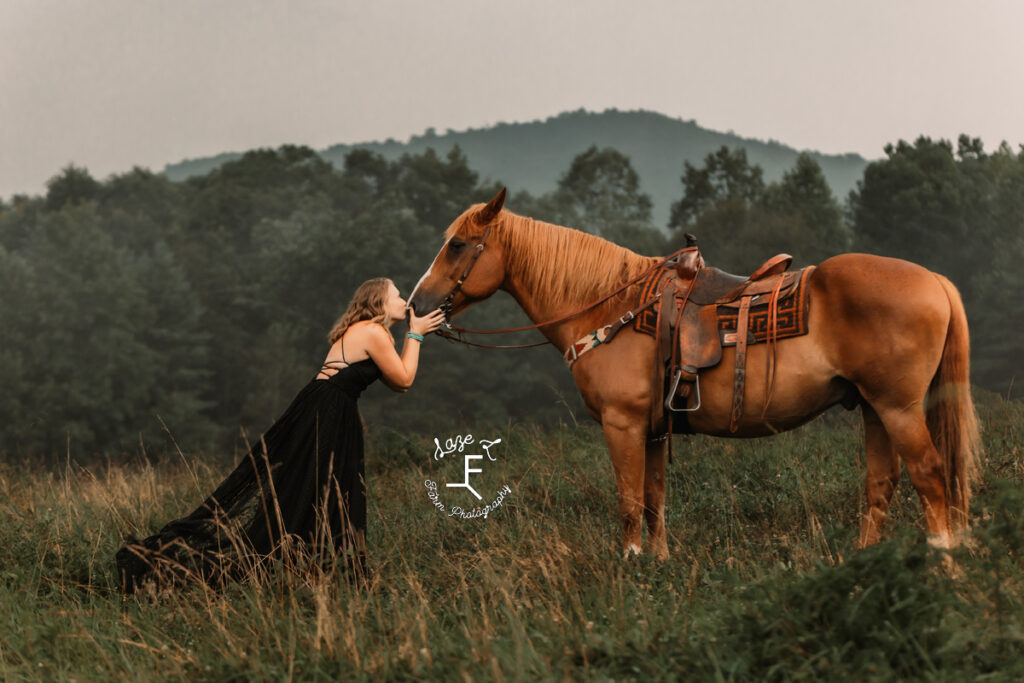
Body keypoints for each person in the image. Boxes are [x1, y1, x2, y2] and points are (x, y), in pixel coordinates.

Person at [115, 277, 445, 593]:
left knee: (323, 491)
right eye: (398, 295)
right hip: (327, 410)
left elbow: (394, 377)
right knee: (320, 491)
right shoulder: (373, 331)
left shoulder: (371, 332)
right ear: (379, 302)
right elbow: (403, 381)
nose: (405, 301)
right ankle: (332, 573)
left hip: (328, 407)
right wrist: (415, 334)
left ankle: (324, 572)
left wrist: (413, 333)